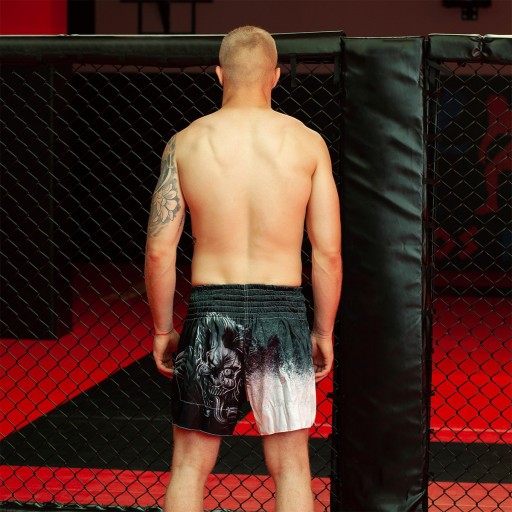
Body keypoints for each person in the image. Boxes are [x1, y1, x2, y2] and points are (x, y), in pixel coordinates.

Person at [144, 26, 342, 512]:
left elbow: (159, 252)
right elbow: (327, 254)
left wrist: (163, 330)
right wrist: (323, 332)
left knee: (189, 466)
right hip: (283, 314)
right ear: (274, 76)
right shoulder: (307, 143)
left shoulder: (186, 143)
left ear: (219, 74)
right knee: (291, 465)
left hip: (211, 312)